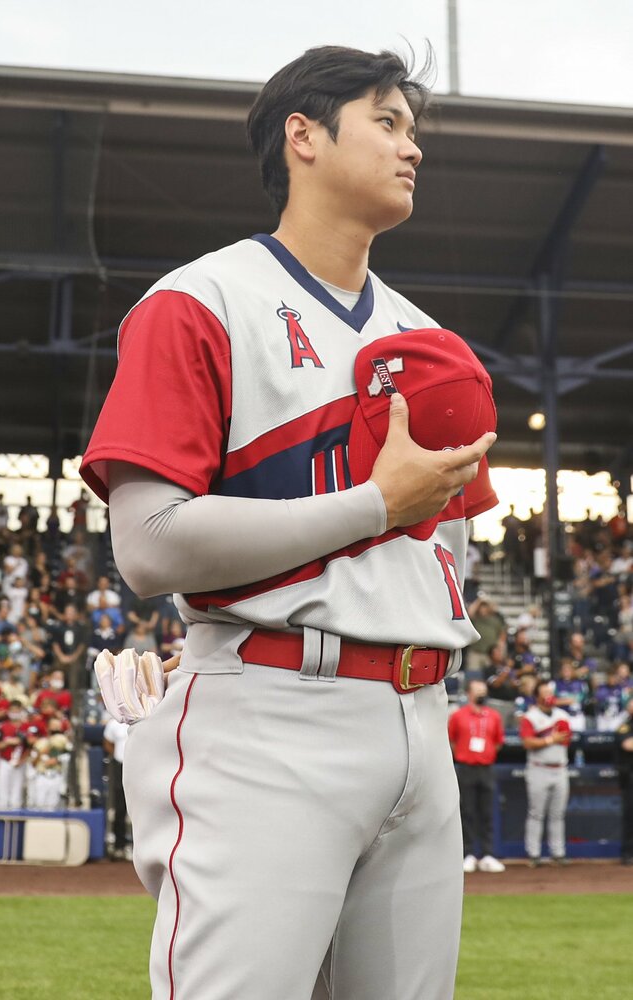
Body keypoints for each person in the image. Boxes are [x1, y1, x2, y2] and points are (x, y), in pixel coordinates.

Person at [78, 48, 498, 997]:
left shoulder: (431, 342)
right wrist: (371, 507)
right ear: (302, 136)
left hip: (419, 713)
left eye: (413, 129)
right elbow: (147, 545)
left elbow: (445, 557)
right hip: (269, 712)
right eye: (386, 122)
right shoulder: (199, 300)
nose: (413, 148)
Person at [448, 680, 505, 873]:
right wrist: (465, 754)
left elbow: (498, 742)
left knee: (487, 812)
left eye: (484, 690)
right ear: (469, 694)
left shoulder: (494, 716)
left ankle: (488, 854)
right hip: (466, 768)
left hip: (486, 767)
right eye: (478, 690)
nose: (482, 693)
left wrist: (485, 754)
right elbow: (452, 740)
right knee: (467, 812)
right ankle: (469, 854)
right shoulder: (458, 716)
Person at [521, 680, 573, 867]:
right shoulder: (530, 716)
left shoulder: (562, 715)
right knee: (536, 813)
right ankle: (533, 854)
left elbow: (566, 740)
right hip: (538, 768)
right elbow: (527, 742)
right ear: (537, 696)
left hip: (560, 768)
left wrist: (552, 738)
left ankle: (558, 853)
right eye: (544, 692)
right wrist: (551, 738)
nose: (548, 695)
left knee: (558, 814)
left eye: (550, 692)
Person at [102, 713, 132, 860]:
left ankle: (135, 845)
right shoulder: (114, 723)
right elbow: (108, 743)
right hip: (120, 766)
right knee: (120, 807)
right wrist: (117, 755)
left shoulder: (142, 720)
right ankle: (119, 845)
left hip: (138, 767)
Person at [616, 709, 633, 866]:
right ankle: (628, 853)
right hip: (630, 776)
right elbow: (628, 744)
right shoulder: (626, 725)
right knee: (630, 816)